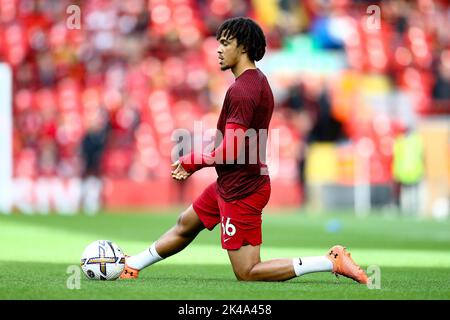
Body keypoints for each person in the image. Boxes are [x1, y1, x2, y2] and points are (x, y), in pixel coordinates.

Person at [120, 17, 368, 284]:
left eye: (225, 43)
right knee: (186, 224)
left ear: (243, 47)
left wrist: (195, 161)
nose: (218, 49)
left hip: (243, 189)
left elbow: (232, 149)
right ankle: (132, 264)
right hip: (232, 181)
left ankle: (330, 261)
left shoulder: (244, 89)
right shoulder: (254, 82)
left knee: (248, 272)